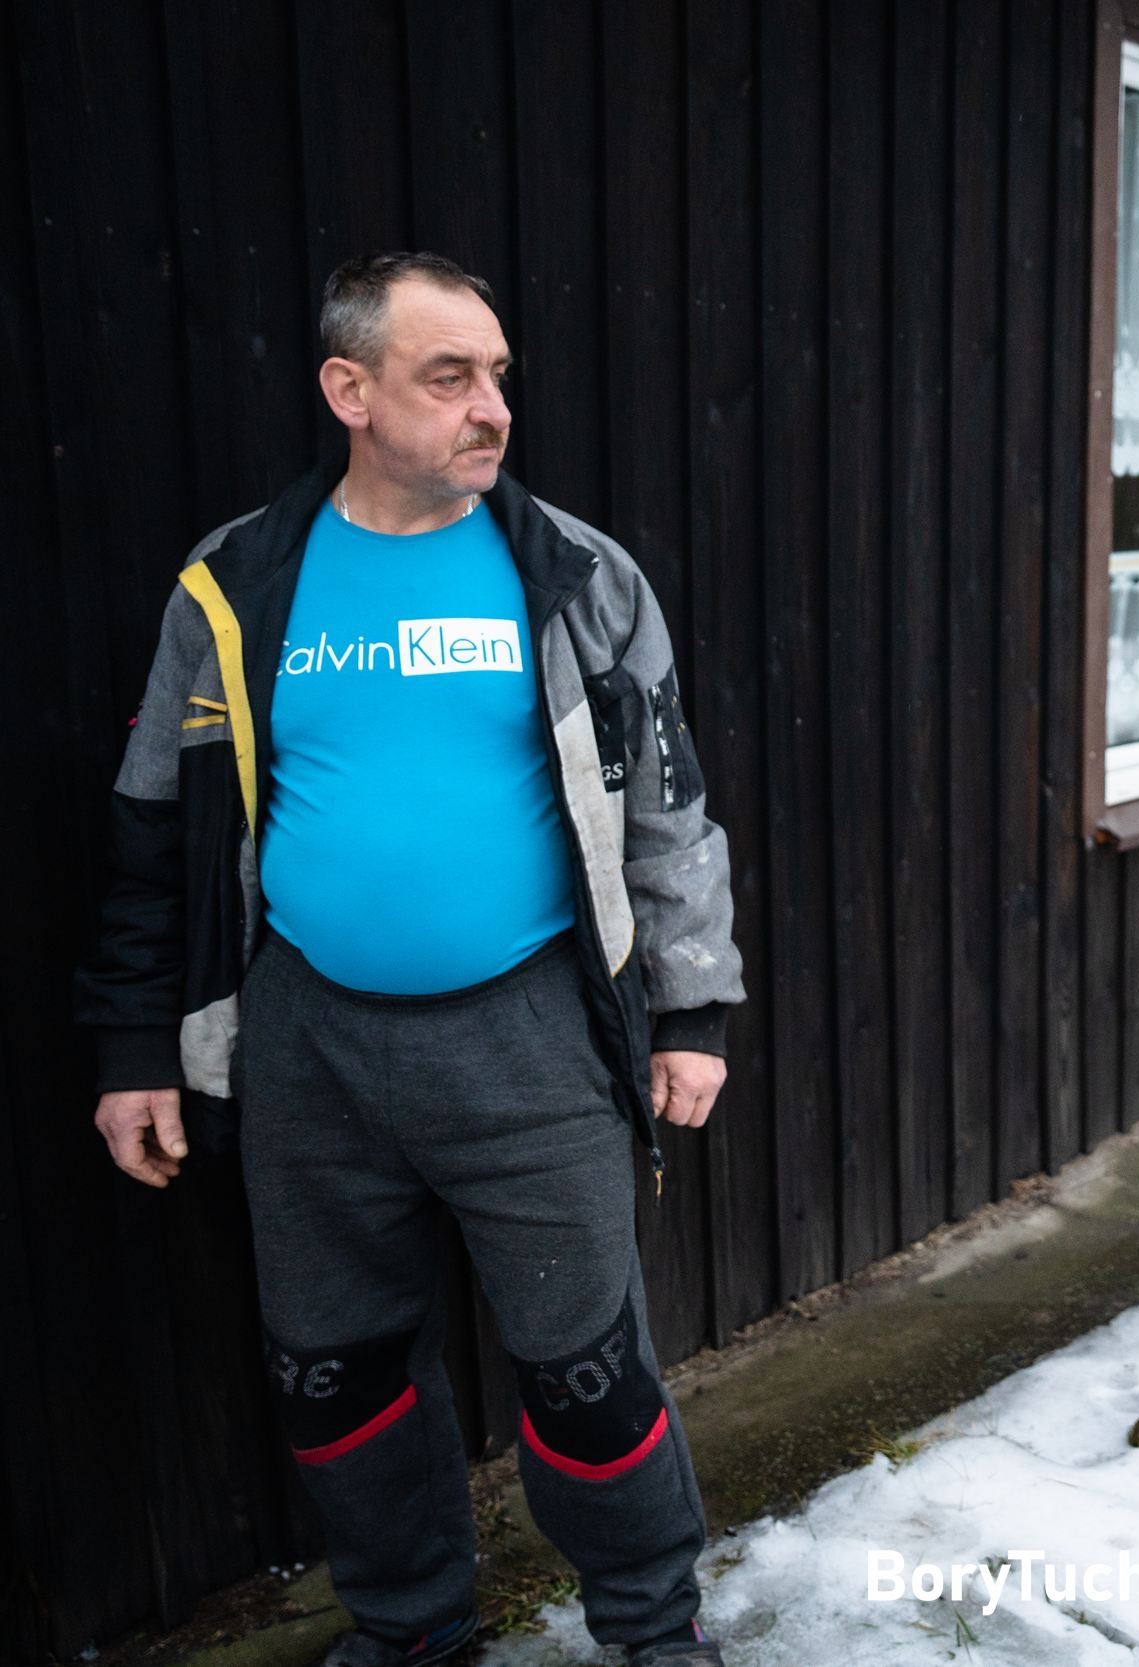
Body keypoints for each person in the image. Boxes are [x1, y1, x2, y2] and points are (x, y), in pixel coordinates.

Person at [73, 253, 744, 1667]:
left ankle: (653, 1629)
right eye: (451, 376)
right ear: (351, 390)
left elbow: (668, 806)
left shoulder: (576, 575)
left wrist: (693, 1007)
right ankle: (410, 1632)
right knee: (337, 1373)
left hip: (531, 1039)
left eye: (497, 374)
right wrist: (137, 1048)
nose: (491, 405)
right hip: (306, 1045)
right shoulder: (234, 583)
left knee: (588, 1373)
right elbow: (153, 830)